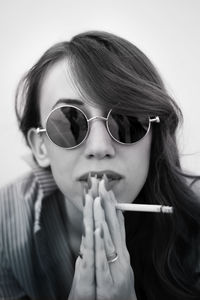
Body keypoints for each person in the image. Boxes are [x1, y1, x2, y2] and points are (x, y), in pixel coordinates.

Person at [0, 31, 200, 300]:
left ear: (154, 135)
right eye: (69, 121)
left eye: (127, 120)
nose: (99, 148)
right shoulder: (4, 231)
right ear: (40, 147)